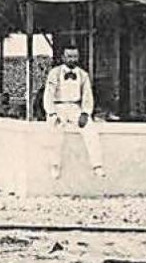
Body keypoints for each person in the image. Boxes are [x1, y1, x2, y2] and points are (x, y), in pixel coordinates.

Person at [41, 46, 104, 179]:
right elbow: (48, 94)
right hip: (58, 107)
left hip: (75, 107)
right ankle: (55, 165)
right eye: (69, 56)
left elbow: (87, 95)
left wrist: (86, 113)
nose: (72, 59)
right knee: (54, 131)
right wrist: (51, 112)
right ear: (63, 57)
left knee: (90, 129)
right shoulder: (55, 73)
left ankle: (97, 165)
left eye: (75, 56)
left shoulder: (83, 74)